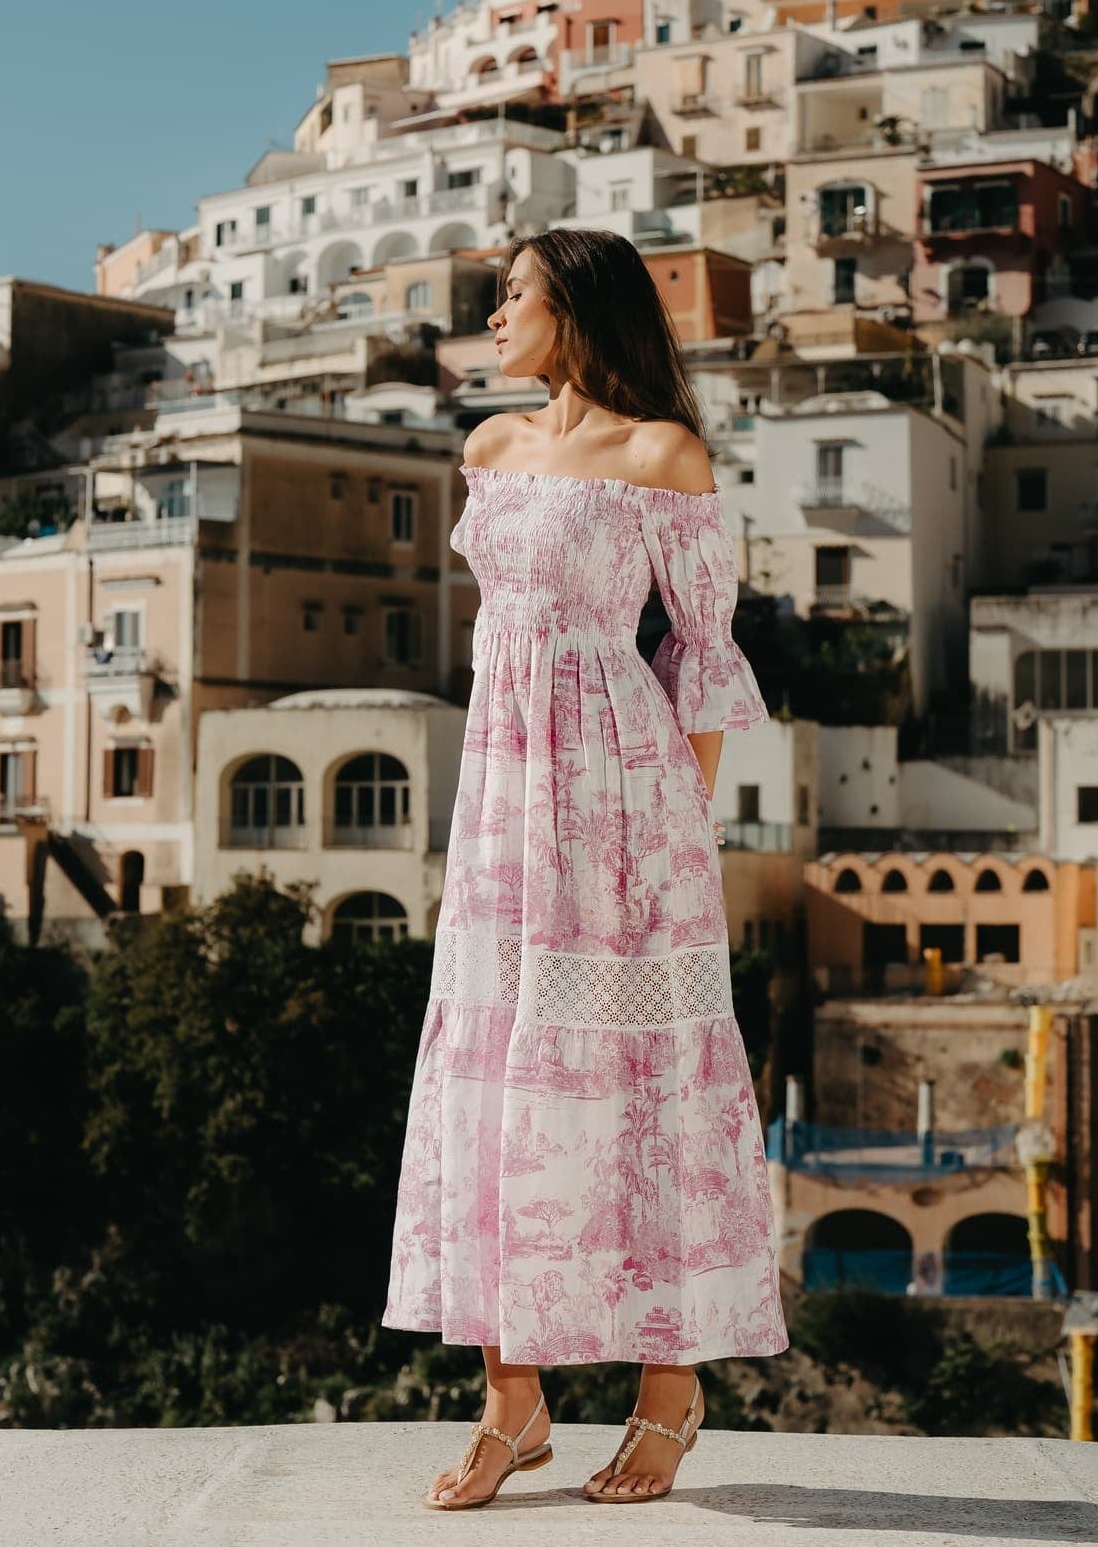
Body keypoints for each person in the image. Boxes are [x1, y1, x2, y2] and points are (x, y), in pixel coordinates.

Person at [381, 228, 788, 1511]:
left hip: (627, 802)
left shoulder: (665, 455)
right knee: (495, 1068)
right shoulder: (489, 449)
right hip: (502, 796)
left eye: (516, 296)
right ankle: (516, 1395)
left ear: (578, 312)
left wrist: (681, 819)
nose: (495, 315)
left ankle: (671, 1386)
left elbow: (704, 658)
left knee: (645, 1077)